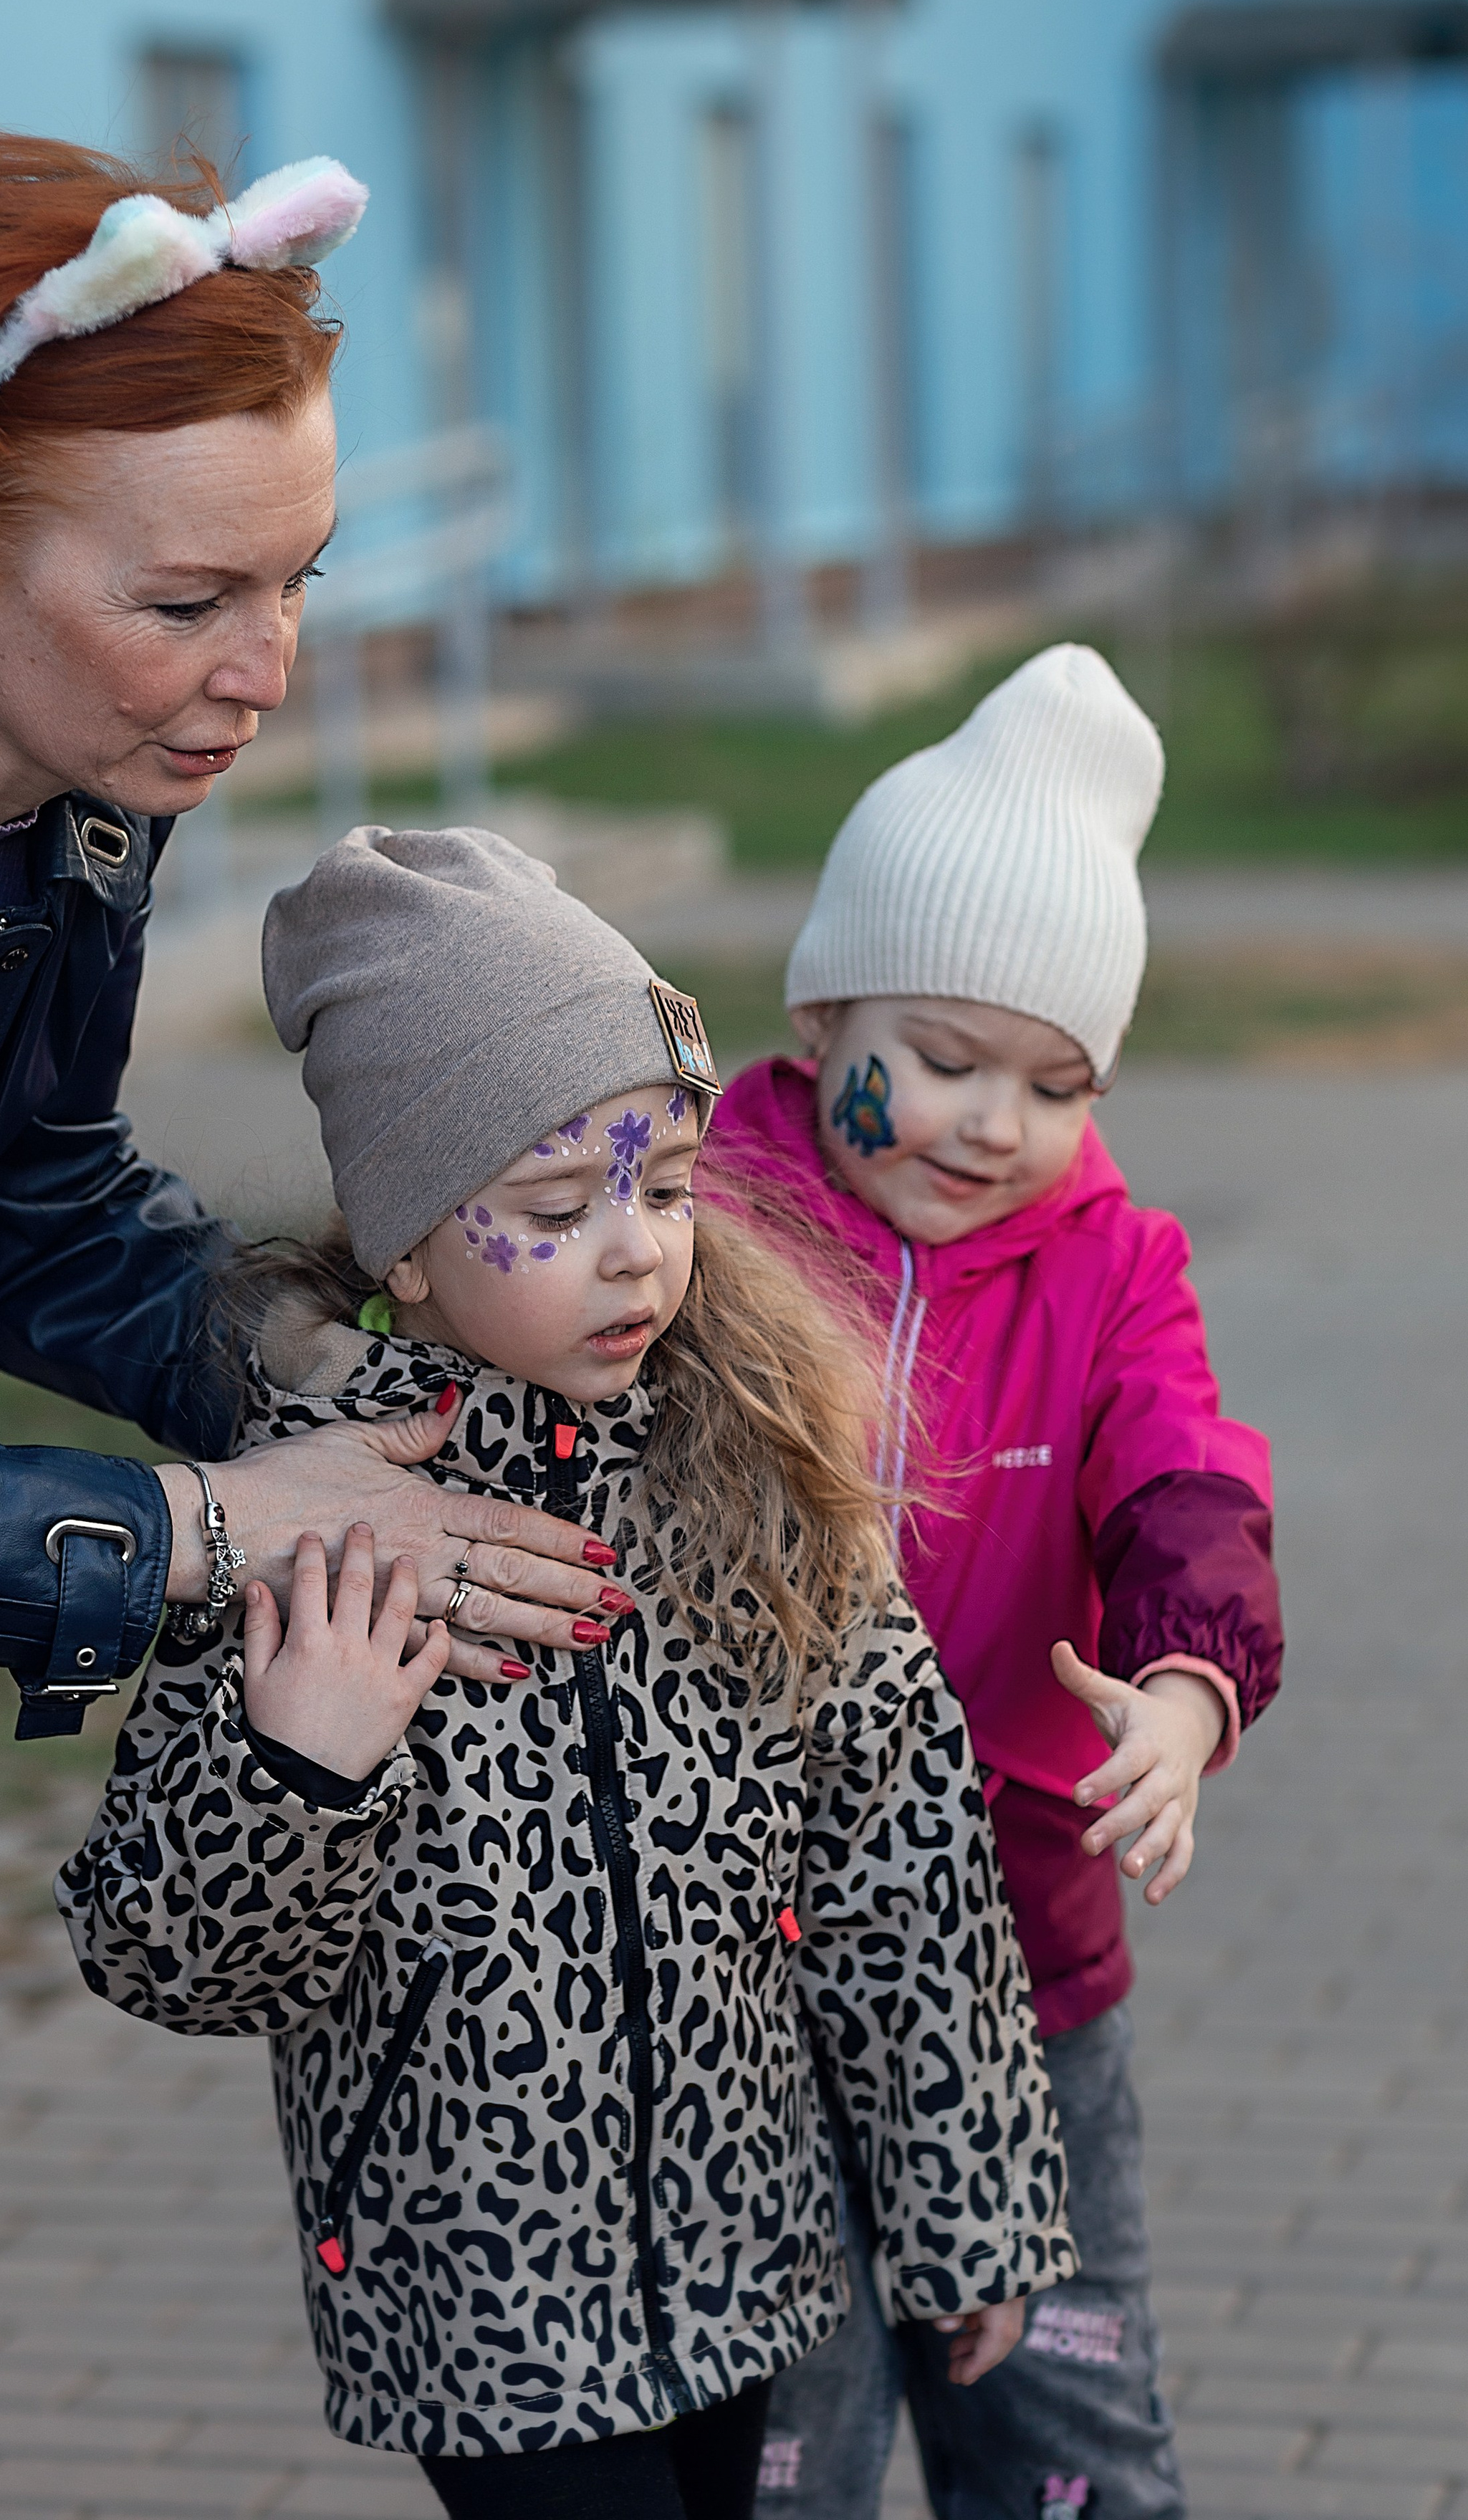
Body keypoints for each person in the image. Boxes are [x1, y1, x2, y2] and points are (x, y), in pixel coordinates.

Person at [0, 135, 620, 2518]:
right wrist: (198, 1530)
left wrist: (346, 1387)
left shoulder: (76, 774)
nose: (262, 673)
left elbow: (21, 1210)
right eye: (191, 598)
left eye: (296, 581)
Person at [57, 823, 1078, 2520]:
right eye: (555, 1207)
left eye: (663, 1186)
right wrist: (298, 1765)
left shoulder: (754, 1487)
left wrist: (963, 2206)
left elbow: (905, 1873)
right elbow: (164, 1957)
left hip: (741, 2263)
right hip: (481, 2308)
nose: (635, 1249)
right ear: (406, 1245)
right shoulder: (312, 1523)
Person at [704, 644, 1285, 2520]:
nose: (987, 1125)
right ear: (820, 1018)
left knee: (1062, 2435)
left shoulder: (1115, 1267)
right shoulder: (694, 1227)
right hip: (740, 1981)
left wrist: (1186, 1686)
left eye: (1053, 1085)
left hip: (1021, 1963)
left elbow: (1188, 1476)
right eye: (943, 1061)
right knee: (779, 2454)